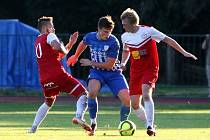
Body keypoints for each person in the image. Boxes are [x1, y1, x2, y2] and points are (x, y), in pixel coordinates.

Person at [120, 8, 197, 136]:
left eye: (124, 24)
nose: (123, 26)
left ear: (133, 23)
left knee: (146, 93)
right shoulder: (124, 36)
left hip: (150, 69)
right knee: (134, 104)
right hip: (135, 71)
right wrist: (123, 63)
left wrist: (183, 52)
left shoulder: (149, 31)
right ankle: (148, 123)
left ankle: (150, 125)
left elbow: (168, 40)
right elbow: (126, 50)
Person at [67, 16, 131, 136]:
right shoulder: (90, 36)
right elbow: (83, 43)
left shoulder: (113, 42)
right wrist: (75, 56)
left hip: (113, 73)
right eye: (105, 31)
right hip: (97, 72)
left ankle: (123, 124)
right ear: (98, 29)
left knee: (127, 100)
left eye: (109, 32)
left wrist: (90, 62)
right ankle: (93, 123)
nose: (107, 34)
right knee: (92, 92)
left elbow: (109, 65)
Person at [28, 16, 92, 133]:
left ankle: (33, 128)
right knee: (83, 94)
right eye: (52, 26)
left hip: (44, 79)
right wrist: (63, 47)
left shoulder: (38, 40)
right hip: (58, 75)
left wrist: (70, 44)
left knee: (48, 102)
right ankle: (79, 116)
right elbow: (58, 47)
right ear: (47, 28)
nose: (54, 28)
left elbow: (57, 56)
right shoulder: (50, 35)